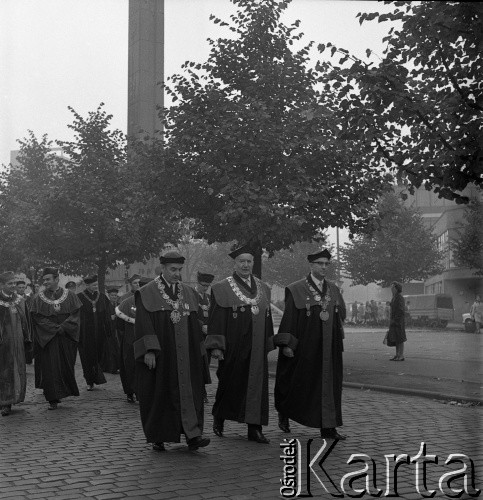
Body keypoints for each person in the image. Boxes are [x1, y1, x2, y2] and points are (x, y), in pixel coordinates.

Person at [134, 252, 211, 452]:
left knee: (191, 392)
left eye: (179, 270)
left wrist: (200, 351)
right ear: (162, 269)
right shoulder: (146, 292)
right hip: (162, 354)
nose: (177, 274)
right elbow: (144, 323)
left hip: (187, 355)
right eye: (172, 270)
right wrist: (149, 350)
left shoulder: (189, 292)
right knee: (161, 393)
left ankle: (193, 435)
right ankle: (158, 436)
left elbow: (195, 324)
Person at [274, 249, 347, 440]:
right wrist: (288, 345)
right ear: (311, 266)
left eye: (326, 264)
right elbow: (289, 318)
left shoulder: (333, 288)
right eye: (319, 264)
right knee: (300, 384)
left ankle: (328, 427)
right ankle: (285, 411)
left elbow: (340, 316)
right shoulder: (296, 289)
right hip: (306, 347)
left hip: (329, 347)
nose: (323, 267)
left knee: (330, 385)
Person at [206, 244, 275, 444]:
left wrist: (269, 343)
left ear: (253, 263)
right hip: (234, 347)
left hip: (257, 348)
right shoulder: (221, 288)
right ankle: (220, 416)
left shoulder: (263, 288)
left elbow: (267, 317)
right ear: (235, 264)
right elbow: (216, 319)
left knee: (257, 387)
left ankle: (255, 428)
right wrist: (217, 346)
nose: (245, 265)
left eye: (249, 261)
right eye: (241, 261)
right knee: (230, 383)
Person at [29, 267, 82, 410]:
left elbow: (75, 314)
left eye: (48, 279)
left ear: (56, 279)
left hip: (65, 336)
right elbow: (37, 317)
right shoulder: (38, 298)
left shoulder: (70, 295)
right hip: (49, 338)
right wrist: (53, 328)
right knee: (50, 367)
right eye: (44, 280)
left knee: (65, 365)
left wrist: (64, 327)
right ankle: (52, 398)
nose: (45, 282)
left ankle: (63, 392)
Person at [0, 271, 32, 416]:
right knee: (3, 371)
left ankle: (10, 401)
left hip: (17, 342)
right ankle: (4, 401)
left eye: (14, 283)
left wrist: (27, 338)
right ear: (2, 284)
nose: (13, 286)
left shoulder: (20, 300)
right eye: (10, 283)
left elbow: (26, 321)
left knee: (15, 370)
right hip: (2, 343)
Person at [115, 277, 152, 403]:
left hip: (147, 340)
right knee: (130, 366)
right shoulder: (127, 302)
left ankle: (144, 392)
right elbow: (119, 325)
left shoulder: (154, 302)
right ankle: (131, 391)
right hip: (131, 340)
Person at [77, 275, 111, 390]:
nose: (96, 287)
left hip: (100, 332)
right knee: (87, 357)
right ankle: (89, 381)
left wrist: (109, 329)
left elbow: (107, 313)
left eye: (97, 284)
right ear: (87, 285)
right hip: (85, 334)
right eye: (94, 285)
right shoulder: (79, 298)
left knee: (98, 356)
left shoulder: (101, 297)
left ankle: (97, 376)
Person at [195, 271, 215, 403]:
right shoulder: (190, 296)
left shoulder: (209, 298)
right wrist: (201, 325)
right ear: (197, 283)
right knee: (197, 364)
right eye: (203, 285)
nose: (205, 288)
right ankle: (198, 391)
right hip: (196, 336)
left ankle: (202, 390)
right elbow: (189, 315)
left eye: (207, 286)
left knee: (205, 364)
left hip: (207, 337)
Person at [102, 287, 121, 374]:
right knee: (111, 349)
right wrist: (111, 318)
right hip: (110, 331)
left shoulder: (118, 305)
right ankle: (112, 367)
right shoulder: (107, 305)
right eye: (112, 295)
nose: (114, 297)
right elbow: (105, 318)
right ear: (109, 296)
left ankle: (118, 366)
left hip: (117, 329)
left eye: (115, 295)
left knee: (117, 348)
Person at [387, 281, 407, 361]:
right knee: (396, 338)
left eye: (392, 287)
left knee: (400, 338)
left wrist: (395, 319)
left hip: (398, 321)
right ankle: (397, 354)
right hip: (394, 321)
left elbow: (401, 310)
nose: (391, 289)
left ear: (396, 288)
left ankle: (401, 355)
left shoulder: (399, 297)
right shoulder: (394, 297)